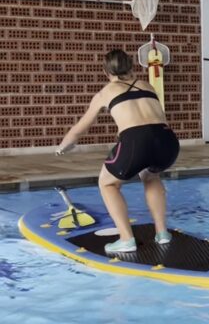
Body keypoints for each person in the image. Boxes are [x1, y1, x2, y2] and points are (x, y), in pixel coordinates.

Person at [55, 50, 180, 255]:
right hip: (167, 141)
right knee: (151, 175)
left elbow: (80, 129)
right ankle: (162, 233)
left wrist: (62, 147)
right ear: (132, 67)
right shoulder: (147, 85)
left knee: (107, 183)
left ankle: (126, 239)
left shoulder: (106, 92)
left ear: (106, 72)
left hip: (137, 141)